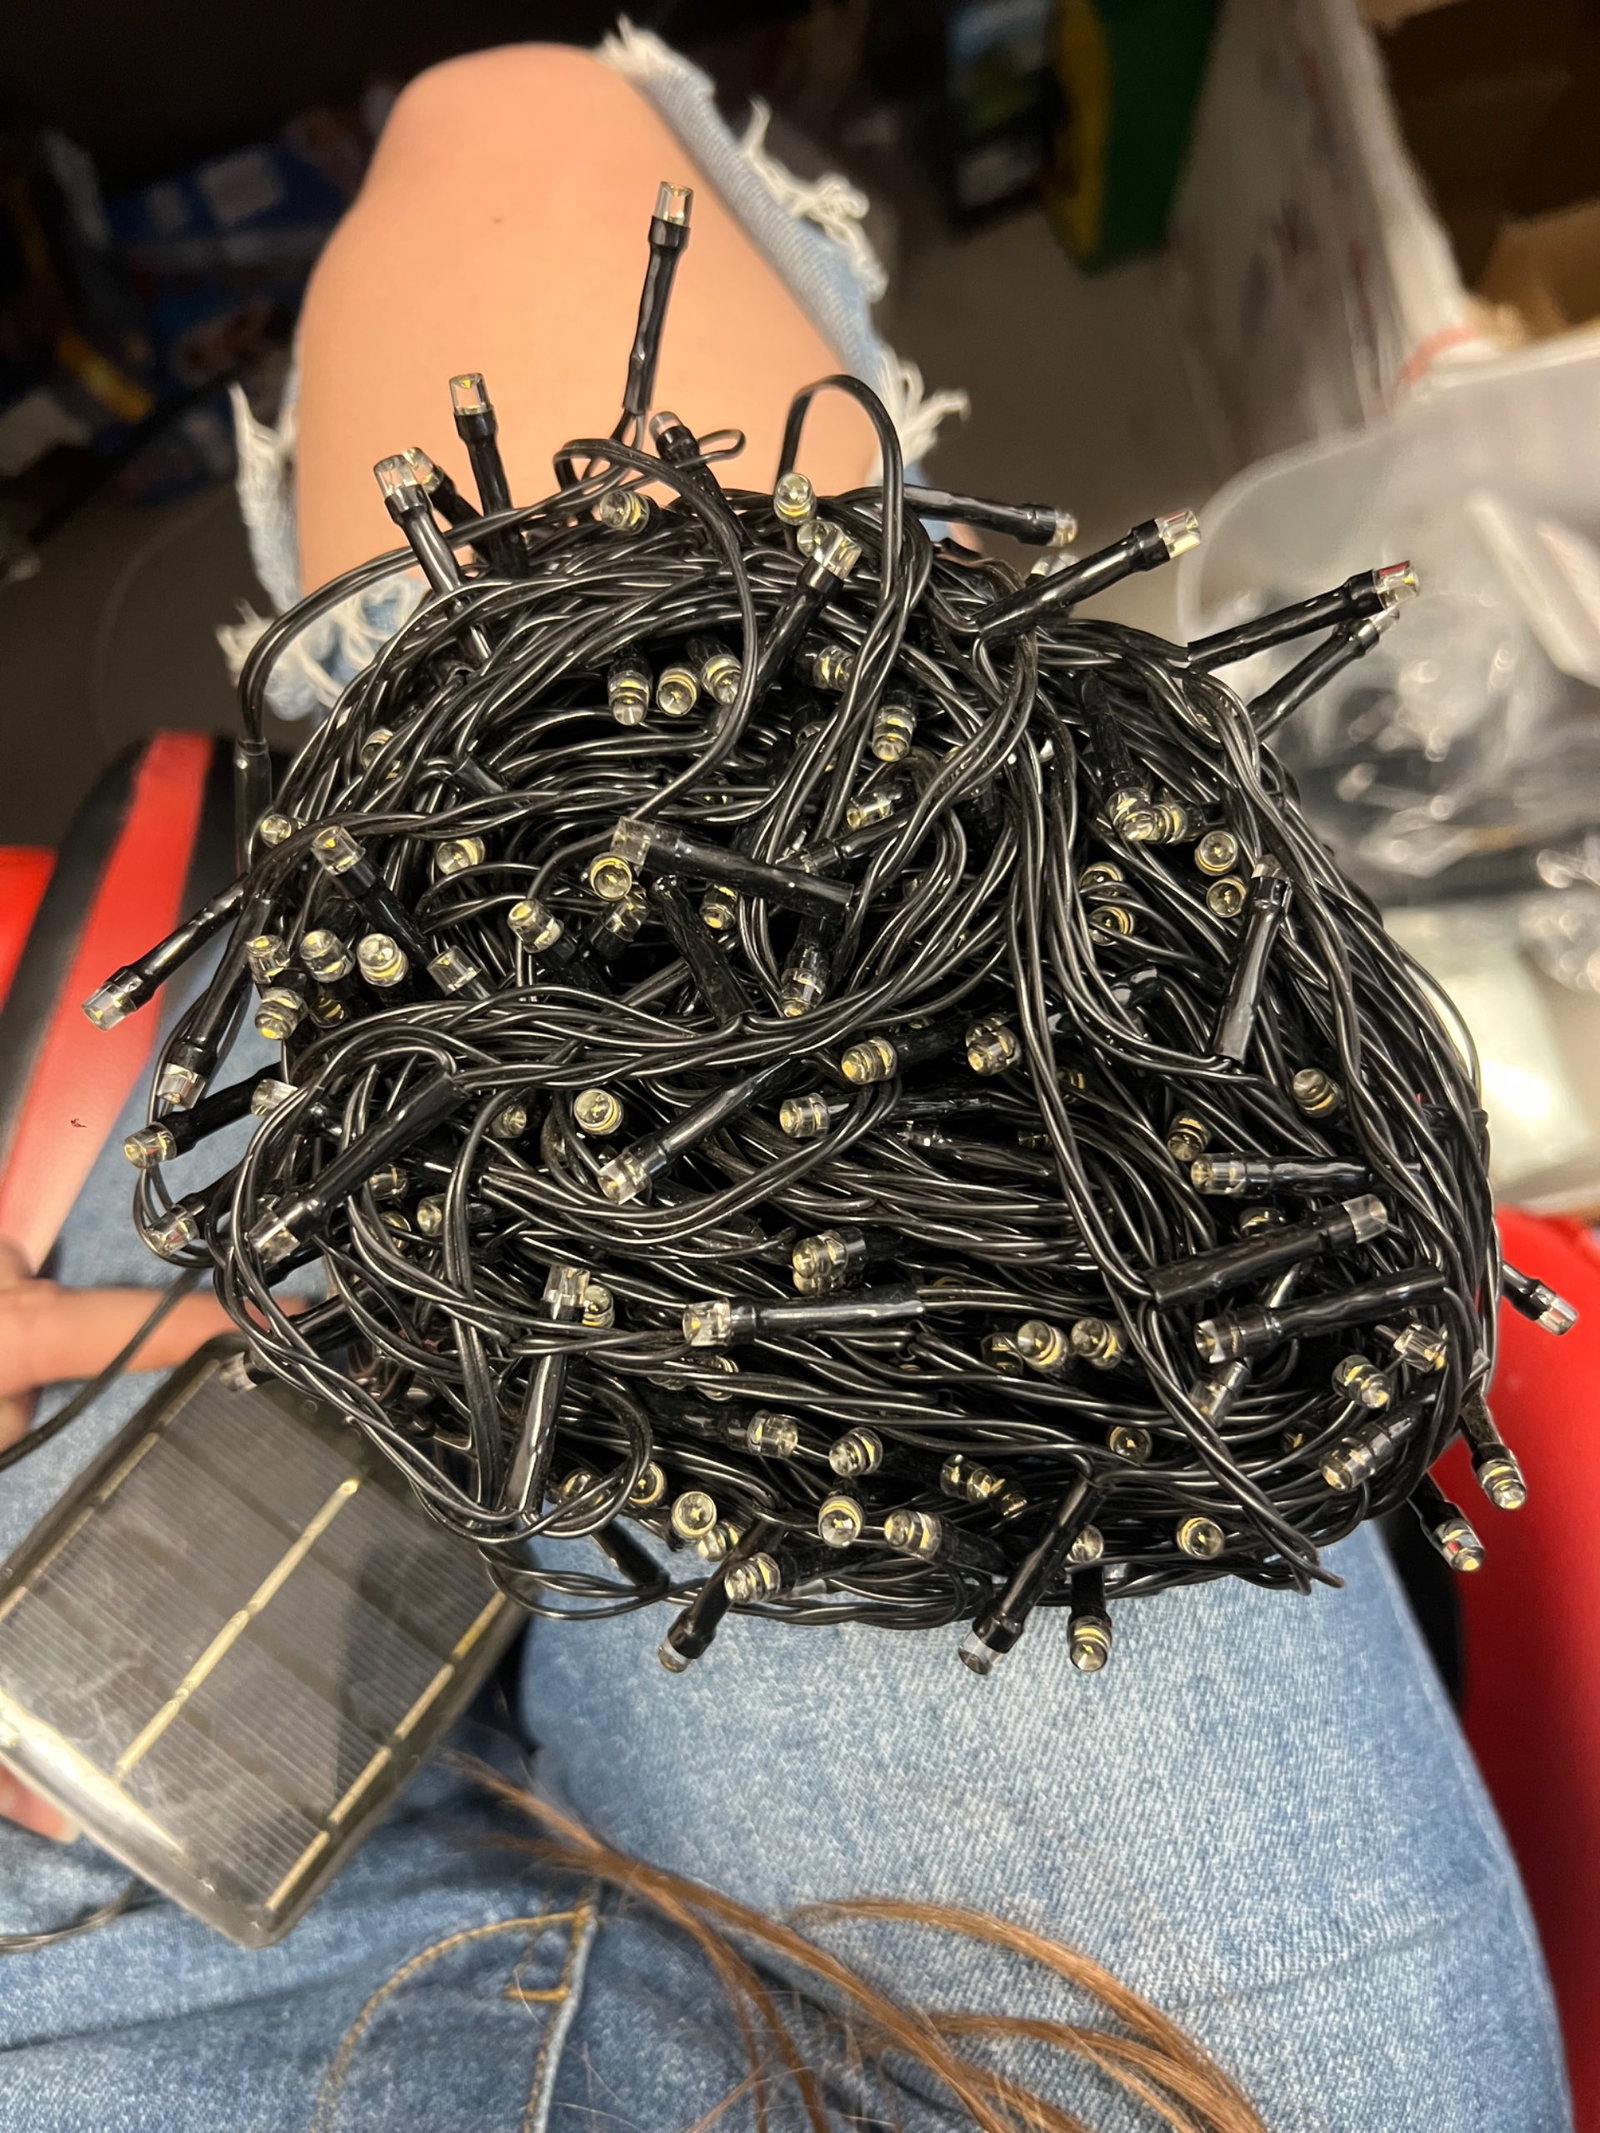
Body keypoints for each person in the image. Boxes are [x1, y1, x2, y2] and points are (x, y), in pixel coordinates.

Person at [0, 41, 1570, 2132]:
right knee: (526, 157)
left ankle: (393, 1078)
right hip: (1071, 2083)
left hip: (55, 1901)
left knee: (528, 213)